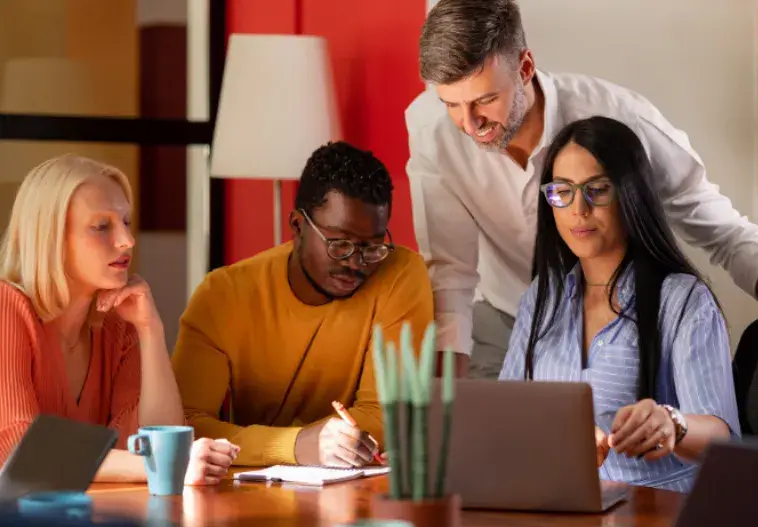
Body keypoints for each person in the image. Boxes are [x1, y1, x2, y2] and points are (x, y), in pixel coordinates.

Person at [406, 0, 758, 379]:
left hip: (623, 324)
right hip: (507, 319)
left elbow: (711, 218)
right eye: (451, 104)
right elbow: (450, 273)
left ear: (524, 66)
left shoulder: (620, 118)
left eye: (485, 100)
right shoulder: (431, 130)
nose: (469, 124)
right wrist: (447, 404)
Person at [500, 116, 740, 492]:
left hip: (653, 512)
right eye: (562, 191)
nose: (578, 209)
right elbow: (505, 417)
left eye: (597, 189)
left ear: (630, 194)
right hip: (562, 505)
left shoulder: (682, 300)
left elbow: (723, 443)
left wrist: (673, 423)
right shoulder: (540, 298)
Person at [172, 141, 434, 468]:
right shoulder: (222, 295)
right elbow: (184, 425)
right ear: (297, 226)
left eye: (371, 248)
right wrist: (294, 446)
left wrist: (309, 445)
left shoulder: (399, 275)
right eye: (339, 244)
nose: (356, 263)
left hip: (350, 493)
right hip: (247, 492)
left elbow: (389, 415)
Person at [0, 154, 238, 484]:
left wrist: (150, 329)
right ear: (50, 237)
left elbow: (155, 439)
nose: (127, 240)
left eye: (126, 222)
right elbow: (18, 446)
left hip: (83, 521)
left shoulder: (118, 325)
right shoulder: (6, 307)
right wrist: (160, 467)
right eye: (102, 226)